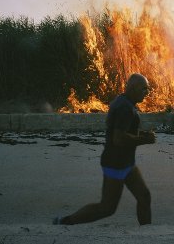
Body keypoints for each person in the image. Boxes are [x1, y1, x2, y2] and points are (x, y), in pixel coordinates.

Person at [54, 73, 156, 225]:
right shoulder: (124, 108)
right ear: (133, 88)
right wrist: (144, 140)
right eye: (144, 89)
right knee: (107, 208)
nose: (146, 93)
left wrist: (142, 135)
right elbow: (118, 139)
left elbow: (123, 131)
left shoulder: (125, 102)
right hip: (115, 164)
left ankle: (147, 232)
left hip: (126, 163)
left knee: (144, 196)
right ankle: (65, 221)